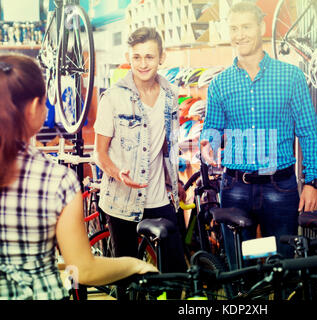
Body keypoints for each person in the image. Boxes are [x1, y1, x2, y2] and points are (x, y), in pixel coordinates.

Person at [0, 53, 156, 300]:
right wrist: (136, 265)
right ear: (33, 108)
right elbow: (84, 269)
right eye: (44, 103)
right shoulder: (55, 180)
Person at [200, 2, 317, 270]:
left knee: (283, 267)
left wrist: (313, 181)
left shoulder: (290, 76)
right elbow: (213, 129)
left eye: (246, 27)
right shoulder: (220, 84)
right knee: (239, 268)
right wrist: (208, 144)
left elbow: (309, 131)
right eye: (234, 28)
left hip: (280, 187)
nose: (240, 35)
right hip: (235, 189)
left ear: (261, 28)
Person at [94, 27, 187, 298]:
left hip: (160, 198)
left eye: (149, 56)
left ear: (161, 57)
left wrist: (175, 181)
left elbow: (168, 147)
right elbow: (99, 153)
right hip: (121, 201)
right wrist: (116, 172)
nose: (143, 63)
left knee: (175, 272)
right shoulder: (113, 96)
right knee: (126, 277)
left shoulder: (170, 95)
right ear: (128, 57)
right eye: (136, 57)